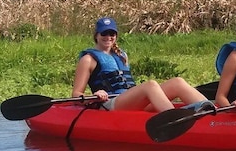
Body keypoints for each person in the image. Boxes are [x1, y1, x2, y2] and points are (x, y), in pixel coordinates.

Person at [72, 17, 210, 112]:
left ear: (116, 35)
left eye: (112, 33)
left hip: (130, 101)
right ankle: (173, 118)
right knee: (150, 85)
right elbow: (76, 95)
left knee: (178, 82)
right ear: (96, 35)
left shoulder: (121, 55)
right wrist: (97, 93)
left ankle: (212, 113)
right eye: (104, 33)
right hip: (110, 104)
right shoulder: (88, 59)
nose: (108, 37)